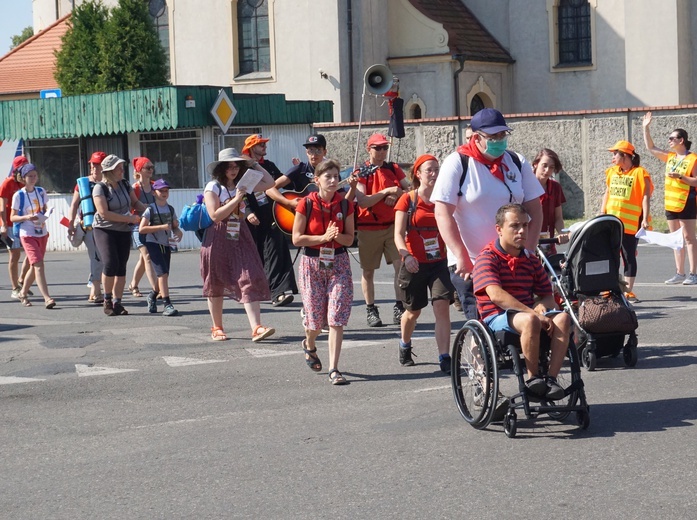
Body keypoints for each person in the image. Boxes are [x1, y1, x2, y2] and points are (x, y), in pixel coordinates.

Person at [432, 108, 544, 320]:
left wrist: (529, 248)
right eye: (493, 137)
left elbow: (535, 209)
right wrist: (461, 256)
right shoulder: (458, 163)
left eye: (503, 135)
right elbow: (442, 214)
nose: (499, 141)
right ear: (476, 137)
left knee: (518, 320)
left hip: (513, 261)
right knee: (482, 323)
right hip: (472, 262)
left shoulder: (517, 162)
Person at [472, 203, 568, 401]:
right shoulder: (487, 257)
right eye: (515, 226)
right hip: (496, 317)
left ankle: (550, 379)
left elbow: (547, 295)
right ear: (499, 229)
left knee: (563, 318)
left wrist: (543, 305)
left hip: (526, 314)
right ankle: (534, 380)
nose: (522, 231)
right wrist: (533, 313)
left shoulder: (531, 260)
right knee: (530, 321)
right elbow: (496, 295)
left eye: (525, 225)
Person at [201, 148, 277, 342]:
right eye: (229, 166)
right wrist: (236, 199)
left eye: (236, 166)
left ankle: (256, 327)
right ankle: (217, 327)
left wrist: (253, 163)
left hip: (240, 234)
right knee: (216, 281)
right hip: (218, 235)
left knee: (249, 276)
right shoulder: (213, 187)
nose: (233, 170)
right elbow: (215, 215)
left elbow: (270, 183)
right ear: (221, 168)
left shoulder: (241, 185)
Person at [292, 158, 356, 385]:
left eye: (336, 177)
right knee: (316, 322)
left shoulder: (345, 204)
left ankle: (334, 369)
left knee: (336, 318)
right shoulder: (306, 203)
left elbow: (350, 238)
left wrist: (336, 236)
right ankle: (309, 344)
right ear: (316, 180)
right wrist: (322, 238)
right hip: (312, 263)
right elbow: (297, 238)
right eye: (327, 176)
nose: (332, 180)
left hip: (338, 263)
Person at [394, 154, 455, 373]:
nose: (434, 174)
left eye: (437, 169)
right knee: (413, 312)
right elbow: (398, 235)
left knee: (441, 308)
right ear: (418, 174)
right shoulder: (408, 199)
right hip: (414, 263)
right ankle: (405, 343)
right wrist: (406, 257)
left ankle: (444, 356)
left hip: (439, 262)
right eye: (429, 170)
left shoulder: (445, 200)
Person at [353, 132, 411, 327]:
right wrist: (386, 191)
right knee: (368, 271)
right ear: (368, 149)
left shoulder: (393, 168)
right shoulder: (361, 172)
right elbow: (362, 201)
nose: (382, 151)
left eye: (385, 147)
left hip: (393, 226)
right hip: (368, 228)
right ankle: (371, 309)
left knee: (399, 267)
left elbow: (409, 192)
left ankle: (398, 306)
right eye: (378, 148)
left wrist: (398, 195)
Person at [241, 133, 298, 307]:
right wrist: (248, 212)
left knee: (276, 252)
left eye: (264, 144)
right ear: (252, 148)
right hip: (255, 220)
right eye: (261, 144)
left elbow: (284, 183)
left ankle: (277, 292)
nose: (265, 147)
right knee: (259, 255)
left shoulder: (269, 166)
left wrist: (295, 171)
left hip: (273, 216)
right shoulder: (246, 168)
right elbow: (241, 192)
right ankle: (261, 290)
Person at [642, 112, 697, 285]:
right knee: (675, 238)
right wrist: (646, 128)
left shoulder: (692, 158)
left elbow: (696, 180)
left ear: (681, 140)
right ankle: (679, 273)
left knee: (689, 237)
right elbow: (651, 148)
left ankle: (693, 273)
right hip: (671, 202)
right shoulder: (670, 157)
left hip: (686, 200)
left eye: (672, 138)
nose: (669, 141)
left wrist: (681, 177)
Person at [92, 154, 146, 316]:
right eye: (119, 168)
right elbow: (104, 213)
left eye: (122, 167)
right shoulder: (99, 188)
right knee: (110, 263)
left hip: (123, 229)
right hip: (104, 229)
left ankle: (118, 302)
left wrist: (150, 210)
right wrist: (128, 218)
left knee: (121, 265)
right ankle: (107, 300)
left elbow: (135, 202)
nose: (122, 171)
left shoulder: (124, 184)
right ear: (109, 171)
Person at [601, 140, 653, 303]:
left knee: (628, 257)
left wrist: (645, 218)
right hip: (611, 222)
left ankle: (628, 291)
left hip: (630, 224)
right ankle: (612, 288)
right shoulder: (611, 172)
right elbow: (607, 193)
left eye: (615, 154)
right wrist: (602, 213)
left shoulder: (639, 173)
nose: (613, 158)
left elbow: (645, 196)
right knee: (611, 256)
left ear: (625, 155)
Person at [10, 164, 56, 309]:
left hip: (42, 232)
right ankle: (47, 298)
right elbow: (12, 217)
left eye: (35, 175)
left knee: (34, 265)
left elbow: (45, 208)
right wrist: (27, 217)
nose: (33, 178)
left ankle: (23, 293)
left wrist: (47, 213)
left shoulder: (41, 191)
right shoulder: (19, 195)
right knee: (38, 265)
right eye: (30, 176)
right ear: (23, 178)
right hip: (27, 233)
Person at [139, 179, 183, 316]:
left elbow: (175, 226)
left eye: (166, 190)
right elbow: (142, 229)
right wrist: (161, 227)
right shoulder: (150, 209)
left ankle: (152, 296)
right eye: (161, 190)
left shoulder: (170, 209)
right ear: (154, 192)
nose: (164, 193)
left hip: (166, 244)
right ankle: (167, 304)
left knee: (164, 275)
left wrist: (178, 232)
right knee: (162, 274)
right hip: (153, 243)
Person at [67, 151, 106, 304]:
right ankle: (96, 292)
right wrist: (70, 222)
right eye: (93, 164)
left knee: (102, 258)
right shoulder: (83, 184)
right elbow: (74, 204)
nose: (94, 167)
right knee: (97, 257)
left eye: (98, 164)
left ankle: (94, 289)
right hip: (89, 226)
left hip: (107, 225)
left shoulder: (109, 183)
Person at [0, 155, 32, 299]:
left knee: (31, 253)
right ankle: (14, 288)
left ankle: (21, 280)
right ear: (17, 170)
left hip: (24, 223)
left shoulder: (25, 183)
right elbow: (2, 208)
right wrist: (4, 226)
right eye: (23, 168)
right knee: (15, 255)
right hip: (10, 224)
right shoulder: (8, 183)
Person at [128, 157, 158, 301]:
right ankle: (156, 289)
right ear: (139, 170)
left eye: (152, 167)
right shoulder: (135, 189)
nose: (151, 170)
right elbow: (130, 208)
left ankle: (133, 284)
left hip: (152, 226)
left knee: (143, 258)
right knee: (147, 256)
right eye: (148, 168)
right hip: (138, 226)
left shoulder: (155, 187)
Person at [532, 148, 569, 255]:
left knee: (550, 269)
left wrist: (562, 233)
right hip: (528, 241)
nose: (547, 170)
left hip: (547, 242)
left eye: (551, 167)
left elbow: (558, 217)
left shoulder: (555, 187)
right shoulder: (525, 185)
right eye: (544, 165)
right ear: (535, 164)